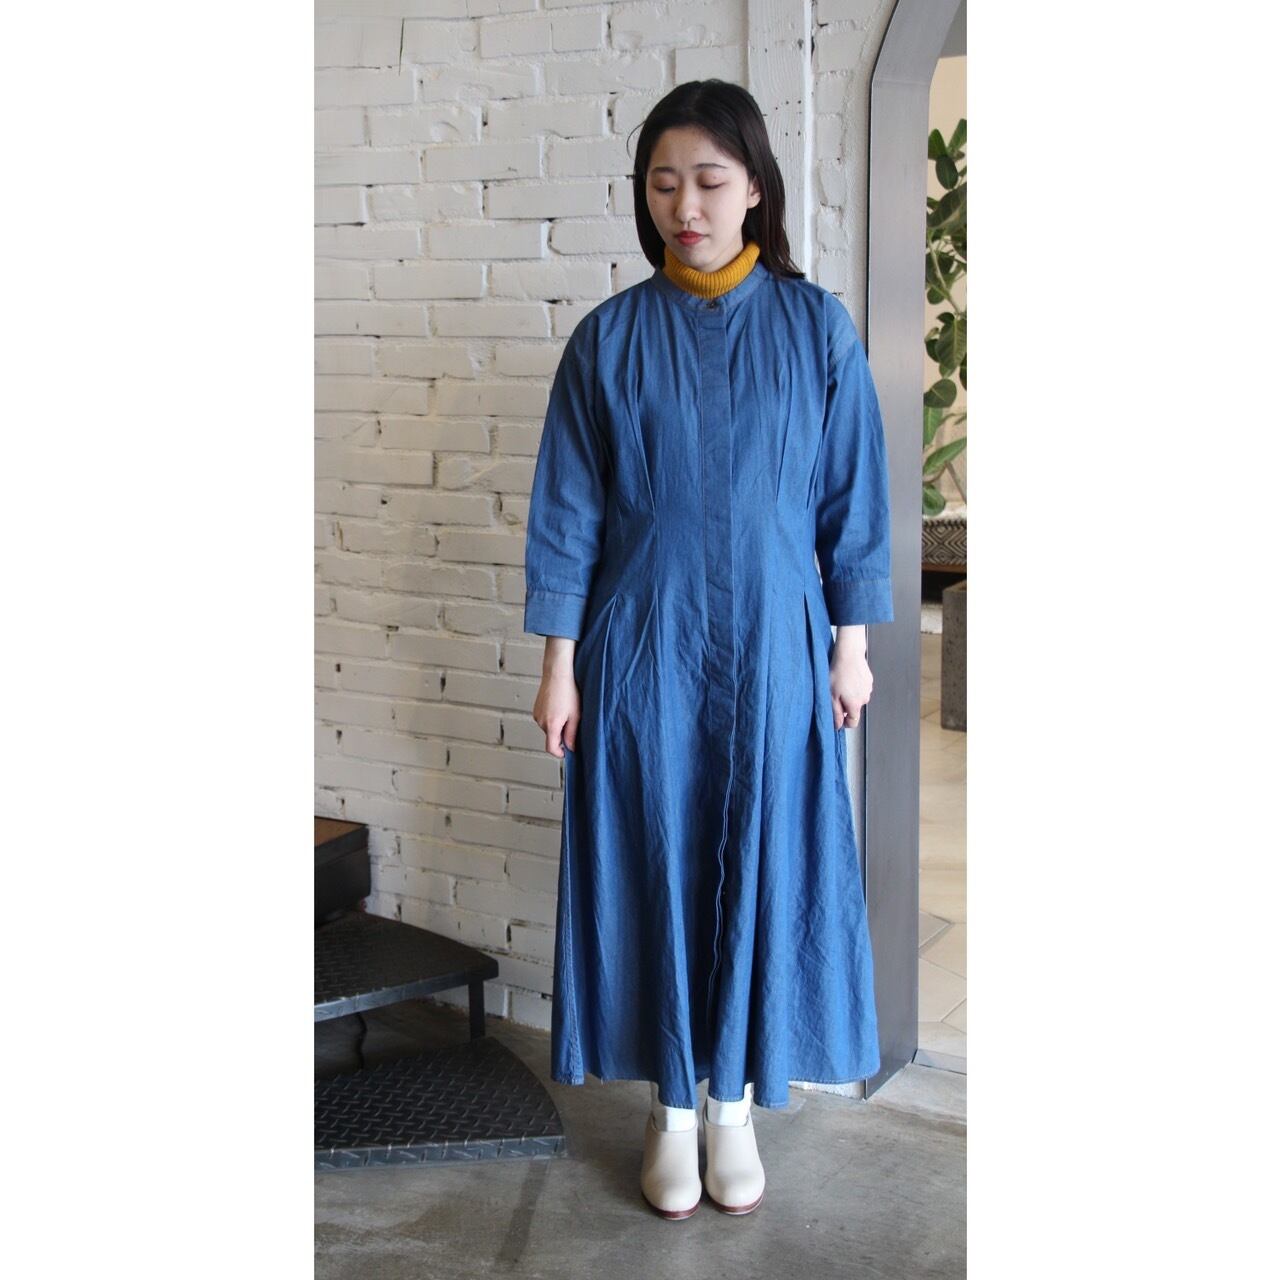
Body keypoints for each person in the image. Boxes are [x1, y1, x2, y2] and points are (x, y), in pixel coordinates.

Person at [524, 79, 894, 1219]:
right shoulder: (607, 341)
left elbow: (852, 503)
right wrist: (558, 664)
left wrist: (851, 647)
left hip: (779, 650)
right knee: (654, 860)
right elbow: (568, 515)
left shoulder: (816, 328)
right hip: (644, 651)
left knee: (765, 860)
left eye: (708, 180)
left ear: (755, 189)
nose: (684, 206)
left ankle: (732, 1105)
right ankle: (670, 1110)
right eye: (662, 184)